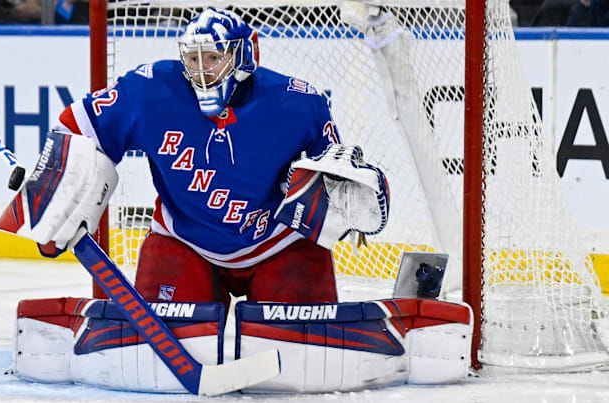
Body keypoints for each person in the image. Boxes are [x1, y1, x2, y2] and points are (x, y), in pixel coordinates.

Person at [19, 8, 388, 311]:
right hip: (184, 241)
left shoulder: (297, 103)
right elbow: (76, 126)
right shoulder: (151, 90)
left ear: (242, 56)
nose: (201, 70)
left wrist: (344, 199)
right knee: (166, 347)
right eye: (192, 59)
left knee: (298, 349)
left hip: (279, 243)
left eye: (213, 58)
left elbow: (333, 175)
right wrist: (52, 189)